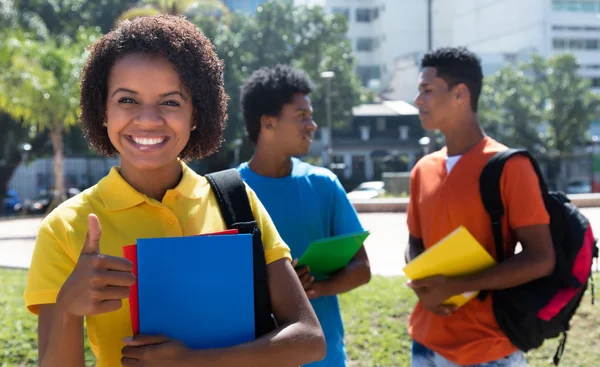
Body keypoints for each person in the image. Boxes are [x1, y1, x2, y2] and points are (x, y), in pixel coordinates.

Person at [24, 15, 325, 367]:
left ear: (196, 114)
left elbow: (309, 339)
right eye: (127, 100)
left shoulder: (237, 201)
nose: (148, 119)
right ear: (102, 110)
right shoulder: (64, 228)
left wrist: (193, 361)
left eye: (170, 102)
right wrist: (67, 309)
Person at [405, 46, 556, 367]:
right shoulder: (422, 169)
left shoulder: (510, 166)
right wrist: (423, 287)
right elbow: (415, 242)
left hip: (489, 347)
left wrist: (458, 286)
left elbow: (541, 258)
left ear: (460, 94)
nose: (418, 100)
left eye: (427, 90)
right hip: (425, 343)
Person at [237, 64, 372, 367]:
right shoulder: (229, 192)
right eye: (301, 117)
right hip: (258, 356)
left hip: (326, 356)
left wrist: (314, 289)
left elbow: (362, 268)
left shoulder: (324, 184)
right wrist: (277, 287)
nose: (312, 125)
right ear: (268, 123)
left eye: (311, 116)